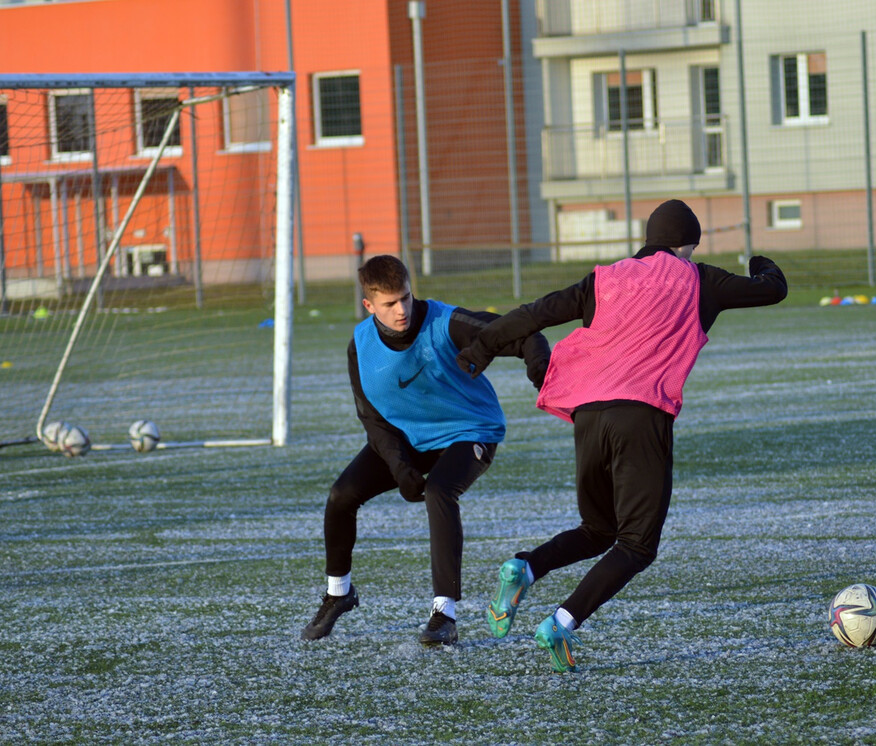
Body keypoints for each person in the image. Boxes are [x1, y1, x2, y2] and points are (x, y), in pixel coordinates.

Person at [456, 199, 787, 671]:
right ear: (686, 244)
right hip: (642, 415)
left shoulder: (605, 278)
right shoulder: (700, 279)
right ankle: (561, 624)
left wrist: (480, 348)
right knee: (636, 544)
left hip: (589, 415)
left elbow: (537, 312)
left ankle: (525, 567)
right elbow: (772, 290)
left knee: (599, 529)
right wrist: (761, 263)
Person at [301, 254, 550, 647]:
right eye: (389, 303)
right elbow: (373, 419)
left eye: (405, 297)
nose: (401, 309)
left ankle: (444, 614)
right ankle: (338, 593)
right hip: (407, 439)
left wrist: (540, 367)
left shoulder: (445, 322)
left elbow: (524, 333)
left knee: (439, 491)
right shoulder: (360, 346)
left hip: (470, 431)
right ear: (369, 306)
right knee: (340, 496)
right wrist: (399, 468)